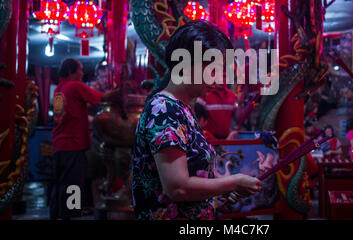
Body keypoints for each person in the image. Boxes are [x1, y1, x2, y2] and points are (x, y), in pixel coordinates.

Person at [131, 21, 261, 220]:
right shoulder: (164, 110)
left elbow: (195, 175)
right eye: (213, 69)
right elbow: (178, 188)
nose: (218, 79)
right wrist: (233, 182)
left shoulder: (182, 108)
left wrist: (222, 186)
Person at [49, 58, 105, 219]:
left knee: (59, 185)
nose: (82, 72)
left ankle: (56, 215)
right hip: (73, 144)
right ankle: (71, 216)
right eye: (79, 69)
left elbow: (74, 108)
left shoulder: (60, 88)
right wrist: (119, 91)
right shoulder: (75, 86)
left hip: (60, 145)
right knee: (73, 185)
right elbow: (102, 98)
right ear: (71, 72)